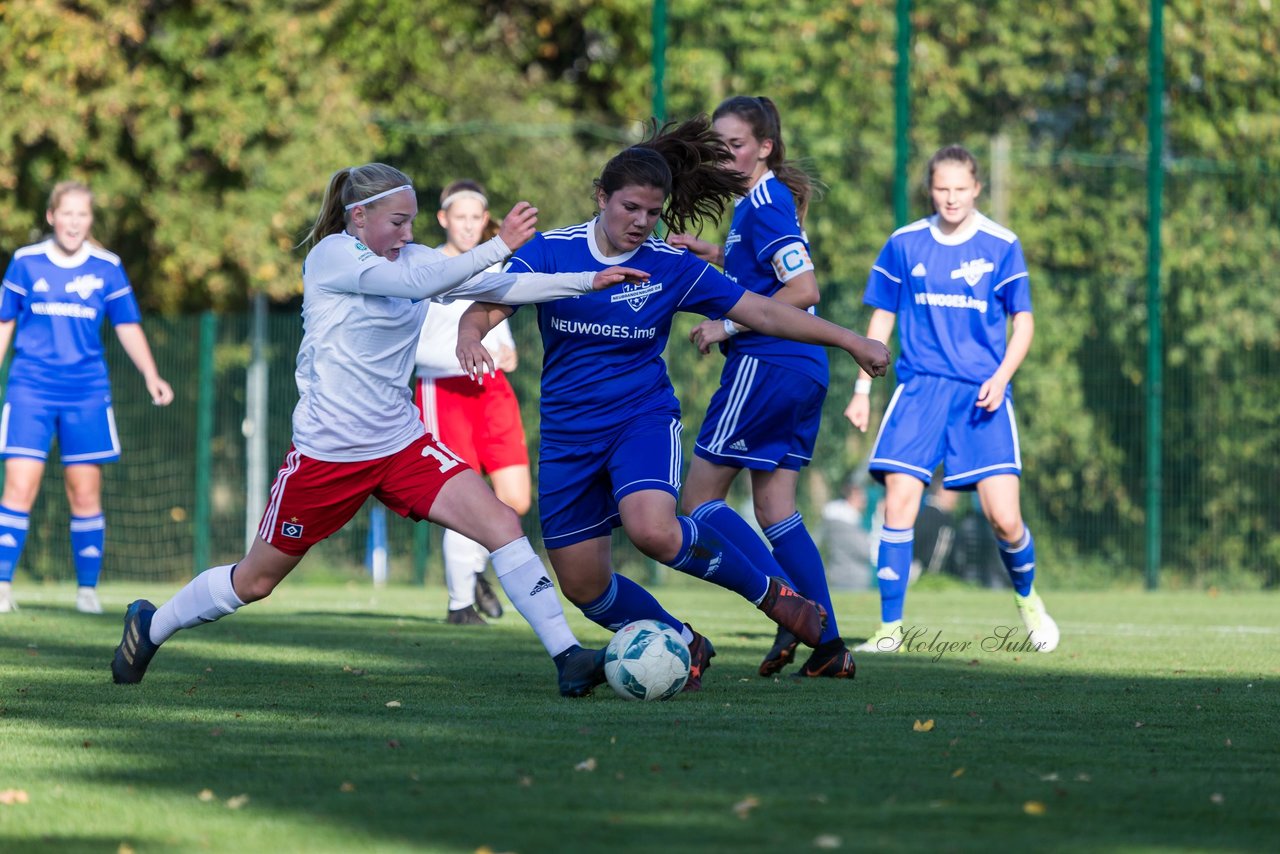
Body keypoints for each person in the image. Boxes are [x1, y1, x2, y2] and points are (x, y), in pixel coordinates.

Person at [111, 162, 648, 697]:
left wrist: (586, 280)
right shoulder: (333, 256)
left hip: (401, 446)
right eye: (397, 222)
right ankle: (150, 627)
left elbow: (498, 283)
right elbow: (419, 283)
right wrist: (499, 242)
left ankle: (568, 658)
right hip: (328, 457)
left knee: (502, 523)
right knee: (255, 580)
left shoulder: (412, 257)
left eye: (413, 222)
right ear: (359, 215)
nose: (408, 235)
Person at [457, 117, 891, 690]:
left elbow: (760, 310)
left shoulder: (670, 265)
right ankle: (684, 642)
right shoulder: (551, 251)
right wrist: (470, 331)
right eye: (630, 207)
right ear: (601, 197)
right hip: (567, 435)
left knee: (654, 529)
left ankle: (772, 594)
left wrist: (850, 338)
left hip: (641, 419)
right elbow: (491, 301)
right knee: (584, 586)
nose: (641, 222)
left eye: (652, 212)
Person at [843, 144, 1059, 654]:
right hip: (919, 391)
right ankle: (890, 629)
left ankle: (1028, 600)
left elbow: (1022, 322)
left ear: (977, 188)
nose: (951, 198)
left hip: (982, 394)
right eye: (942, 188)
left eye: (961, 188)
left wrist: (1003, 376)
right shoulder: (905, 242)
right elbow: (881, 318)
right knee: (898, 504)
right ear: (930, 188)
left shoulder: (1001, 244)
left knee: (1005, 518)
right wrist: (862, 389)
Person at [668, 95, 853, 679]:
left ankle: (786, 603)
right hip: (803, 370)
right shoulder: (759, 203)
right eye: (717, 148)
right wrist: (716, 253)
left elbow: (801, 288)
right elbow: (766, 268)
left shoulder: (766, 202)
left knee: (697, 501)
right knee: (776, 510)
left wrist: (726, 322)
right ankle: (829, 646)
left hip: (766, 364)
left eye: (736, 146)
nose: (724, 157)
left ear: (765, 147)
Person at [0, 181, 174, 615]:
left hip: (86, 393)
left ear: (90, 220)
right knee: (19, 487)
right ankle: (2, 586)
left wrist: (152, 375)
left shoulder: (107, 267)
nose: (74, 222)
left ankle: (87, 591)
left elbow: (127, 325)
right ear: (51, 217)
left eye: (83, 214)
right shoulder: (25, 263)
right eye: (67, 213)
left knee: (84, 493)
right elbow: (4, 323)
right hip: (30, 390)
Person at [414, 179, 528, 624]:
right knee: (467, 498)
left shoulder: (495, 264)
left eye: (475, 217)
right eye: (458, 217)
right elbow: (414, 347)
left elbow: (500, 334)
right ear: (443, 219)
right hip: (443, 391)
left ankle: (474, 568)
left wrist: (507, 352)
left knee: (514, 499)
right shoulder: (422, 267)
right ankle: (460, 604)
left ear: (485, 220)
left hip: (491, 389)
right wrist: (461, 354)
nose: (467, 225)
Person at [820, 474, 873, 592]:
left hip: (841, 574)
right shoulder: (844, 523)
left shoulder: (839, 521)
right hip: (850, 578)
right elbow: (864, 551)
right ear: (852, 497)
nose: (864, 501)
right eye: (861, 497)